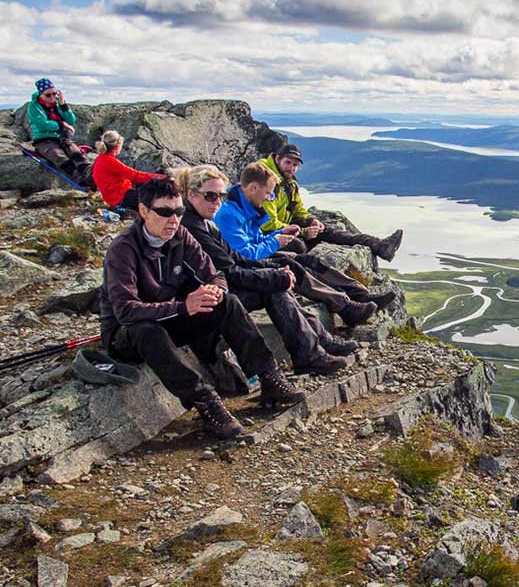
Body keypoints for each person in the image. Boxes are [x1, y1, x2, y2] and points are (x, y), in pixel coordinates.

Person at [100, 177, 306, 439]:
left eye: (178, 211)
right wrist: (184, 306)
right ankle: (205, 403)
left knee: (227, 302)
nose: (173, 220)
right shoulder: (123, 249)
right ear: (143, 211)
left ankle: (268, 376)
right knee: (146, 331)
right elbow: (125, 311)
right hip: (126, 334)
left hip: (171, 317)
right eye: (164, 212)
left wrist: (214, 291)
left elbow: (215, 274)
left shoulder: (180, 236)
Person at [176, 164, 357, 375]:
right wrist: (273, 276)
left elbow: (237, 259)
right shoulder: (193, 228)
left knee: (280, 275)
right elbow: (229, 272)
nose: (217, 202)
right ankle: (309, 354)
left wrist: (273, 269)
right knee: (273, 288)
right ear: (191, 194)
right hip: (203, 304)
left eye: (220, 196)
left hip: (219, 293)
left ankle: (316, 345)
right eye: (210, 196)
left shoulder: (204, 223)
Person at [214, 162, 394, 326]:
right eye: (268, 193)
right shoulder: (229, 214)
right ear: (253, 187)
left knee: (308, 260)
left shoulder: (245, 206)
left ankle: (359, 294)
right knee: (293, 264)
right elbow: (244, 254)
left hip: (253, 259)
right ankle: (345, 307)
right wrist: (275, 242)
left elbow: (256, 239)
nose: (269, 198)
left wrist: (280, 233)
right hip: (242, 269)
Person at [258, 143, 403, 259]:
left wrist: (311, 220)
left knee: (328, 231)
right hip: (267, 233)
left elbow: (298, 208)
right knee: (299, 245)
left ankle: (380, 246)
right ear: (277, 159)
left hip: (285, 225)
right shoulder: (266, 180)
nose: (291, 168)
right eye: (288, 162)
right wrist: (302, 232)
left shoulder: (289, 181)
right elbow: (268, 224)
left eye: (295, 165)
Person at [26, 78, 90, 185]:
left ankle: (90, 174)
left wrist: (63, 105)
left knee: (76, 153)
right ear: (40, 94)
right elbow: (42, 125)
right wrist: (61, 124)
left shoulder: (57, 103)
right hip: (43, 140)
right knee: (59, 157)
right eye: (48, 95)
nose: (52, 97)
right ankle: (80, 179)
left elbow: (72, 120)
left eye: (54, 93)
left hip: (62, 137)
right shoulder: (33, 106)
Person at [93, 130, 164, 211]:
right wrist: (162, 178)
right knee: (157, 195)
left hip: (114, 197)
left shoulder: (101, 158)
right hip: (120, 198)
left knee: (150, 183)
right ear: (118, 146)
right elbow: (134, 176)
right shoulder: (110, 161)